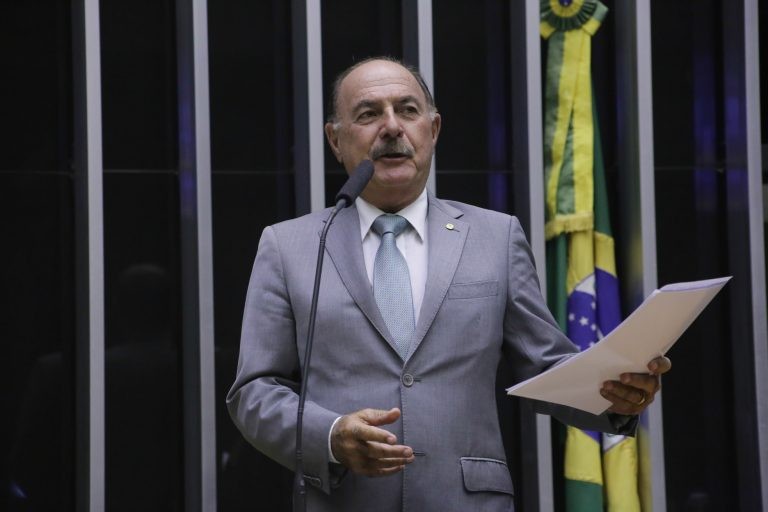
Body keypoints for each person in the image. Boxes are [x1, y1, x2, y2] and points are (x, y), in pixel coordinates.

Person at [227, 56, 670, 511]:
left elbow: (545, 369)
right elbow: (254, 392)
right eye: (368, 114)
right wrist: (331, 435)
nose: (392, 127)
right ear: (335, 140)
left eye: (408, 110)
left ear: (433, 130)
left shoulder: (496, 237)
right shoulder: (289, 246)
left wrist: (614, 393)